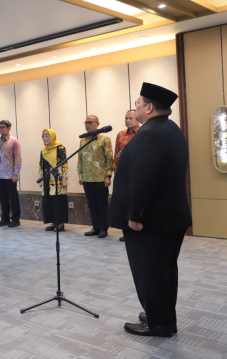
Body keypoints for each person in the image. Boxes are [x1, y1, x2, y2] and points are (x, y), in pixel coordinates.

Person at [109, 82, 191, 338]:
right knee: (164, 271)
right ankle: (162, 315)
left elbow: (143, 179)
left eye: (138, 103)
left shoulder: (150, 133)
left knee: (150, 272)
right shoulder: (170, 128)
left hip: (151, 221)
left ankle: (159, 323)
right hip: (169, 216)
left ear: (149, 107)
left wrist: (135, 216)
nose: (135, 107)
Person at [78, 115, 114, 238]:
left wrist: (108, 175)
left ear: (98, 124)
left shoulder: (104, 139)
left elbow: (109, 158)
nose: (87, 124)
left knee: (102, 205)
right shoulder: (83, 139)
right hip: (87, 177)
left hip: (100, 178)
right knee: (92, 204)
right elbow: (80, 158)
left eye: (90, 122)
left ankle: (103, 229)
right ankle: (95, 227)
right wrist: (81, 174)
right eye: (86, 122)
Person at [114, 109, 140, 242]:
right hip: (123, 174)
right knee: (124, 202)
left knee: (136, 202)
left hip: (138, 173)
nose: (128, 121)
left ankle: (137, 229)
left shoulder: (143, 133)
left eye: (131, 118)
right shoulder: (120, 135)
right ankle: (126, 231)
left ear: (138, 119)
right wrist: (116, 171)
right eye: (126, 118)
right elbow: (117, 154)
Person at [0, 120, 22, 228]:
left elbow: (18, 159)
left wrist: (16, 173)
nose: (1, 129)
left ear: (9, 128)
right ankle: (5, 218)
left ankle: (15, 219)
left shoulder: (14, 142)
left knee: (13, 198)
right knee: (3, 198)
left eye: (3, 127)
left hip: (10, 175)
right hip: (0, 174)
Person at [38, 129, 68, 231]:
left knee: (58, 200)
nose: (45, 138)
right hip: (46, 178)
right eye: (43, 136)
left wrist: (64, 178)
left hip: (57, 177)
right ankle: (53, 221)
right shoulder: (43, 150)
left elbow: (64, 164)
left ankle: (60, 222)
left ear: (52, 136)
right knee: (48, 200)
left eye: (47, 135)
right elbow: (41, 165)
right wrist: (40, 179)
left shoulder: (60, 147)